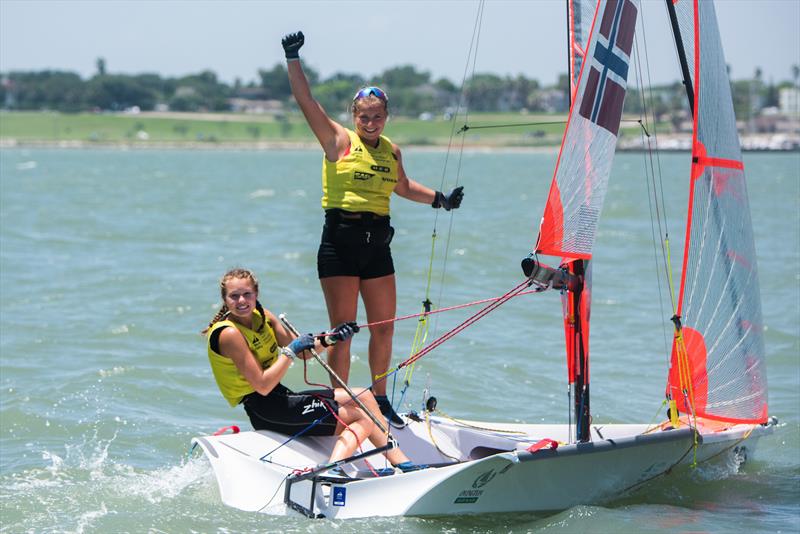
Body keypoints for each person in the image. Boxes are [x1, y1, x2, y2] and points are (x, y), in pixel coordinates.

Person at [281, 31, 464, 426]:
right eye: (363, 115)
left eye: (377, 116)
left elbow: (402, 187)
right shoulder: (338, 140)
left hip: (377, 245)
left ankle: (380, 400)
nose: (370, 122)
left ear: (386, 117)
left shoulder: (391, 150)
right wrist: (293, 58)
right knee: (343, 332)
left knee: (384, 328)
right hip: (341, 243)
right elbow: (306, 101)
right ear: (353, 115)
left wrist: (441, 199)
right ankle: (339, 403)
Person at [204, 268, 424, 473]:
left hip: (281, 397)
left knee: (364, 396)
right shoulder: (228, 334)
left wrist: (331, 338)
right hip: (264, 409)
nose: (241, 301)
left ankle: (403, 464)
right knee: (362, 417)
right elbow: (262, 386)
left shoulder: (263, 316)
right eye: (234, 296)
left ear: (256, 294)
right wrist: (290, 351)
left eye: (247, 294)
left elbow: (304, 353)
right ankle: (333, 469)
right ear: (224, 299)